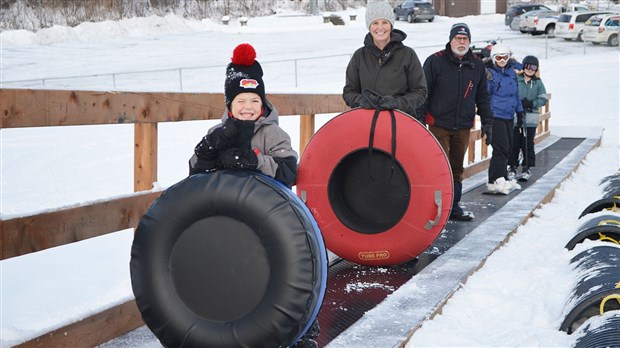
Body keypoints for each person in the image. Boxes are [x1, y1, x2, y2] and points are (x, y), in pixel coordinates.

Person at [188, 43, 298, 189]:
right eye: (240, 101)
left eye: (254, 100)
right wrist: (207, 148)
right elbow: (195, 173)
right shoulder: (217, 133)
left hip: (265, 204)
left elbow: (288, 171)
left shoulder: (274, 134)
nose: (248, 106)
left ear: (262, 104)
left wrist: (254, 161)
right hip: (225, 202)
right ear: (230, 105)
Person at [416, 23, 493, 221]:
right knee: (439, 167)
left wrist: (487, 121)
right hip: (438, 124)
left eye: (465, 39)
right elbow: (424, 93)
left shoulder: (477, 65)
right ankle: (435, 205)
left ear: (469, 41)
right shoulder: (435, 61)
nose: (461, 42)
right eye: (457, 38)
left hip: (463, 126)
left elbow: (482, 96)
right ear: (450, 40)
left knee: (456, 167)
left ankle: (454, 206)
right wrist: (418, 121)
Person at [343, 0, 427, 115]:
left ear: (391, 25)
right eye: (375, 23)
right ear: (369, 26)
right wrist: (361, 101)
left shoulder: (408, 54)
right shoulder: (359, 56)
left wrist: (398, 103)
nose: (380, 28)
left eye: (385, 22)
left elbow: (420, 92)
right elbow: (349, 92)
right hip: (368, 122)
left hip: (401, 122)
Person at [484, 43, 524, 194]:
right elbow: (485, 96)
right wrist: (486, 115)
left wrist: (520, 113)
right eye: (498, 58)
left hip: (509, 115)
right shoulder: (490, 74)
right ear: (493, 58)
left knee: (507, 147)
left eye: (505, 57)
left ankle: (502, 176)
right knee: (500, 148)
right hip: (496, 115)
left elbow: (516, 94)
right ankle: (495, 179)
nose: (502, 60)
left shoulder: (511, 73)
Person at [509, 55, 548, 181]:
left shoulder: (537, 82)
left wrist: (531, 103)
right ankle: (512, 166)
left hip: (530, 118)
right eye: (528, 66)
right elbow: (509, 94)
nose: (530, 69)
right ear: (524, 67)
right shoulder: (516, 79)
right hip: (516, 117)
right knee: (514, 142)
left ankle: (527, 166)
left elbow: (543, 98)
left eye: (534, 67)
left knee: (527, 142)